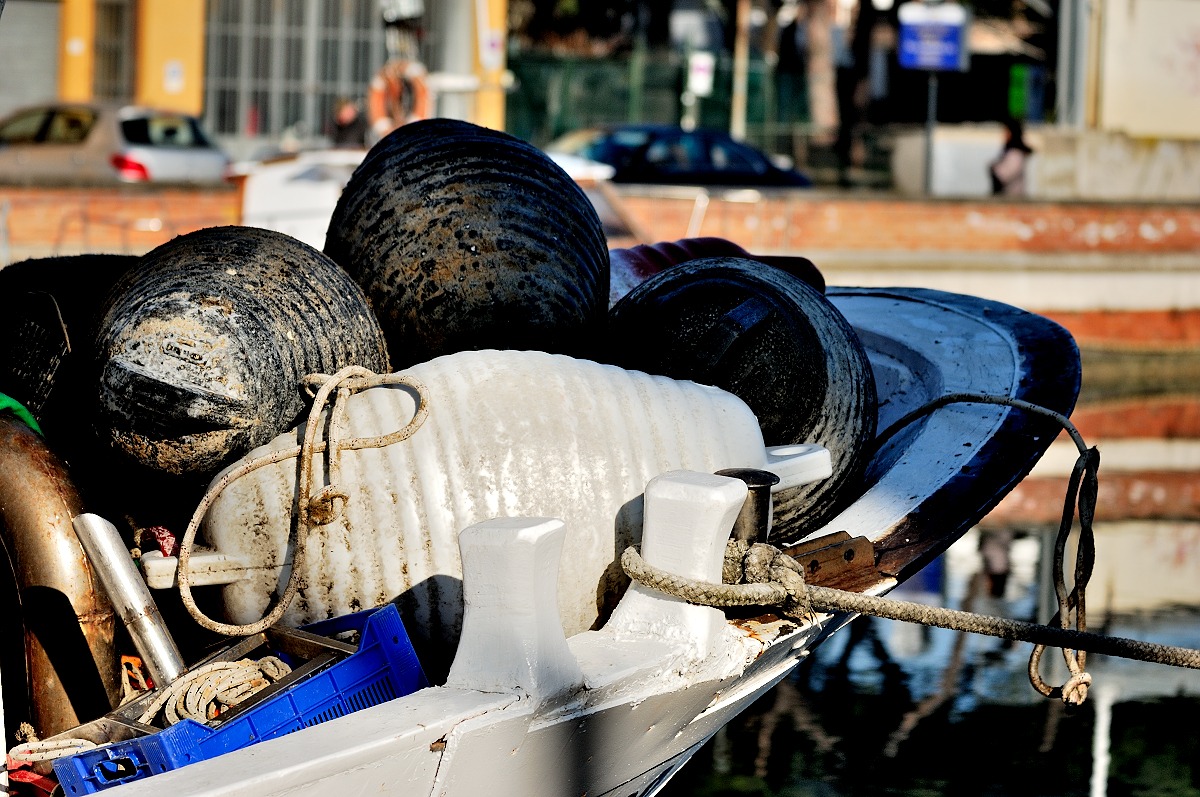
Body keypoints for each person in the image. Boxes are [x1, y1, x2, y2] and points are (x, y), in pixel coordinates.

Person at [990, 118, 1033, 196]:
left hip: (1013, 197)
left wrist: (993, 169)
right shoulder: (1010, 152)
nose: (1004, 135)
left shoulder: (1016, 155)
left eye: (1007, 132)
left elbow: (1004, 175)